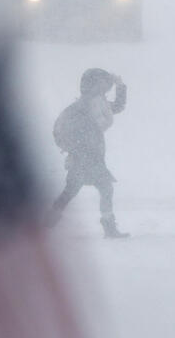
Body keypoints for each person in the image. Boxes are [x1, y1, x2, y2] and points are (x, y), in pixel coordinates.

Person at [47, 68, 129, 238]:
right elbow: (79, 129)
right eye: (102, 83)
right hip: (85, 156)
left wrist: (120, 86)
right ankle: (108, 227)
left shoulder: (97, 103)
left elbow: (118, 107)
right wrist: (82, 146)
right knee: (102, 188)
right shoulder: (84, 105)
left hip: (89, 156)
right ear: (93, 85)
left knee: (72, 191)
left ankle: (48, 224)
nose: (106, 87)